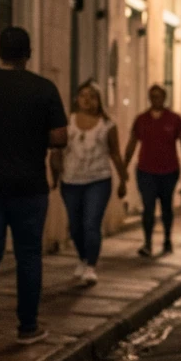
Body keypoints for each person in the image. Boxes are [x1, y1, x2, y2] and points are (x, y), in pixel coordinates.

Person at [0, 27, 68, 355]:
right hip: (29, 186)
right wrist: (32, 137)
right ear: (28, 53)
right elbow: (60, 137)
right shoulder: (43, 89)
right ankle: (27, 328)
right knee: (28, 256)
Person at [50, 82, 128, 286]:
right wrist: (55, 176)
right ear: (77, 98)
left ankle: (91, 266)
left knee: (91, 223)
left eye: (92, 96)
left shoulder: (108, 125)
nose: (87, 99)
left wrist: (123, 180)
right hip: (71, 180)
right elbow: (57, 150)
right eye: (83, 95)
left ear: (99, 100)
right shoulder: (68, 121)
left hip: (98, 180)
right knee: (75, 226)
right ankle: (83, 258)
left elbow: (115, 153)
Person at [123, 85, 181, 257]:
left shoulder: (174, 119)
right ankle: (147, 242)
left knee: (166, 206)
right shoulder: (142, 119)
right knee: (148, 206)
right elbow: (132, 142)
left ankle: (167, 239)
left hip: (169, 170)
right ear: (149, 98)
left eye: (159, 96)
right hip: (146, 170)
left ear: (164, 98)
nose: (156, 99)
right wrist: (124, 165)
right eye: (153, 96)